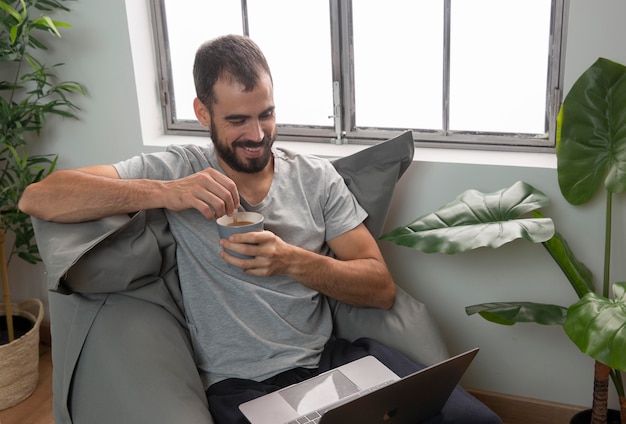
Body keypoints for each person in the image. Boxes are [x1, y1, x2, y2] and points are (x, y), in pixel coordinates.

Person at [19, 35, 501, 424]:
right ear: (203, 113)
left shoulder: (316, 177)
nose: (256, 134)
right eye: (237, 120)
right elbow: (39, 197)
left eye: (266, 114)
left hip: (332, 363)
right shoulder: (179, 168)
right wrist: (163, 193)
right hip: (240, 388)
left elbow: (379, 287)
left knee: (475, 420)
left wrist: (292, 260)